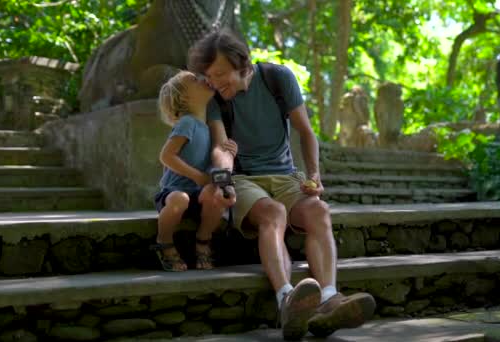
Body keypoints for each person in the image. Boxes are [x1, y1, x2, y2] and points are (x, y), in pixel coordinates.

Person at [188, 29, 375, 340]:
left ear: (241, 63)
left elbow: (305, 131)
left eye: (220, 73)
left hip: (286, 175)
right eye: (209, 76)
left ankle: (329, 300)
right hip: (245, 178)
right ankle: (288, 300)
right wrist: (223, 181)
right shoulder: (214, 98)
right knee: (273, 213)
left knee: (318, 211)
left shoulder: (277, 78)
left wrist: (314, 175)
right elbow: (222, 148)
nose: (215, 82)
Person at [152, 70, 236, 272]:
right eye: (194, 80)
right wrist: (198, 177)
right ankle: (163, 242)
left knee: (218, 199)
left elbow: (215, 160)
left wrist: (231, 149)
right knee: (180, 199)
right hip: (174, 192)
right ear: (184, 97)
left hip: (197, 195)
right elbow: (166, 156)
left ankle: (203, 240)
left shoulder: (208, 127)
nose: (203, 79)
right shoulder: (187, 123)